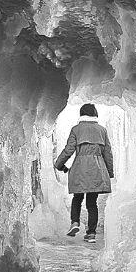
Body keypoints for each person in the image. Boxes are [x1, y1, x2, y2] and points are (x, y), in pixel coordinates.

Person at [53, 103, 114, 243]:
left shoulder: (76, 129)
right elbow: (108, 153)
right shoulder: (102, 130)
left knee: (77, 198)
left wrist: (59, 164)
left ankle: (75, 222)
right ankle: (91, 234)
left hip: (79, 168)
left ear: (82, 114)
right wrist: (109, 173)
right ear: (95, 114)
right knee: (92, 203)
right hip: (97, 170)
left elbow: (69, 150)